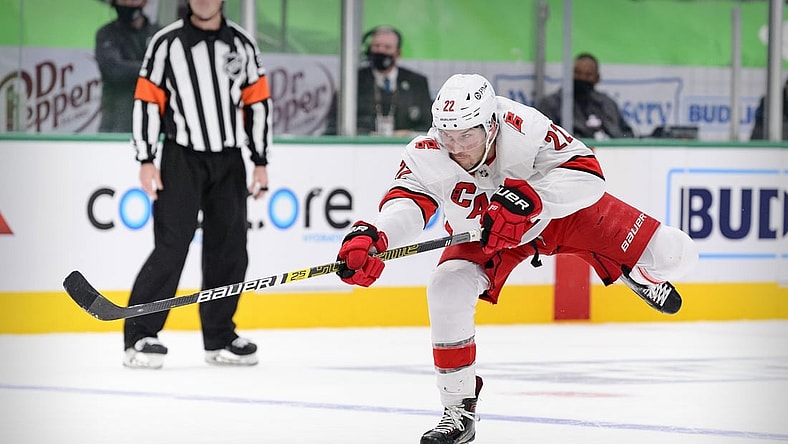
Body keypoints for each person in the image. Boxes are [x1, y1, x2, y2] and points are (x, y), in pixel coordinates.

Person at [335, 74, 698, 444]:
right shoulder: (428, 151)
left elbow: (589, 174)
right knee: (446, 287)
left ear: (491, 126)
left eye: (467, 136)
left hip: (560, 216)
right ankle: (457, 410)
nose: (456, 148)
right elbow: (407, 204)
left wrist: (534, 199)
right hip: (488, 236)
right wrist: (375, 235)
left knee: (678, 254)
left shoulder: (525, 127)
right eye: (448, 135)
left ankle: (640, 273)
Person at [123, 0, 273, 369]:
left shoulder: (242, 44)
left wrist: (260, 160)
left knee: (230, 248)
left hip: (229, 160)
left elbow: (257, 103)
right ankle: (141, 335)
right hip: (180, 158)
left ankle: (220, 337)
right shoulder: (166, 42)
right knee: (171, 246)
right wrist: (145, 157)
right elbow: (147, 101)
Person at [324, 26, 432, 136]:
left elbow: (429, 126)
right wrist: (367, 134)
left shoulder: (417, 82)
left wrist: (407, 134)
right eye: (376, 46)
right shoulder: (352, 81)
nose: (381, 50)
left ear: (398, 54)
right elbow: (334, 126)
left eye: (387, 47)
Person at [535, 52, 634, 139]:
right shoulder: (551, 104)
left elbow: (627, 136)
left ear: (597, 78)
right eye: (577, 73)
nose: (582, 78)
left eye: (588, 75)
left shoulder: (607, 104)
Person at [95, 0, 159, 133]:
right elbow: (114, 70)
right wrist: (153, 69)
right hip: (116, 125)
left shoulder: (160, 34)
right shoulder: (106, 34)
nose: (127, 3)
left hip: (155, 124)